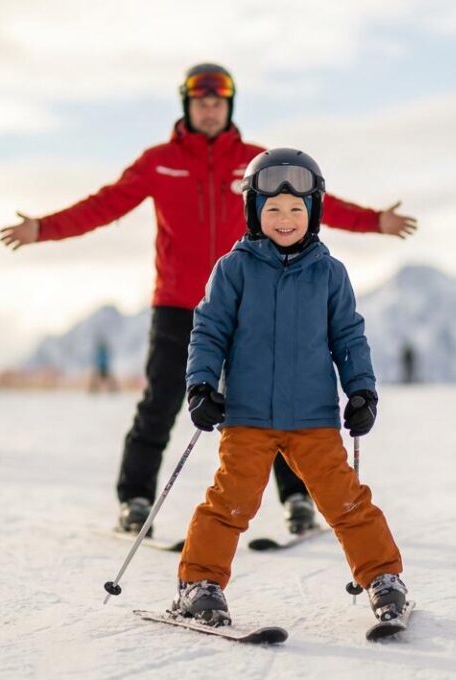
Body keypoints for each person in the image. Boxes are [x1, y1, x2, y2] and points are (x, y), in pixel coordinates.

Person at [0, 64, 418, 536]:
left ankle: (297, 498)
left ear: (229, 107)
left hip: (256, 299)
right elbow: (106, 204)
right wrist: (42, 227)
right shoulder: (159, 161)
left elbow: (314, 202)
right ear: (188, 106)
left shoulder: (257, 162)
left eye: (219, 103)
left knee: (276, 394)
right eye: (202, 103)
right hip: (178, 303)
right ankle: (135, 499)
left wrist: (374, 221)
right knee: (162, 399)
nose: (211, 110)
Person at [171, 148, 406, 627]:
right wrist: (199, 386)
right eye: (273, 209)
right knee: (230, 503)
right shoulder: (232, 269)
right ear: (254, 212)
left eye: (296, 209)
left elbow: (348, 336)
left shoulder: (329, 272)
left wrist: (362, 391)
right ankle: (200, 584)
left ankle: (383, 578)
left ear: (313, 212)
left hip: (313, 417)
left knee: (347, 502)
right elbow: (209, 330)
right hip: (248, 415)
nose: (285, 218)